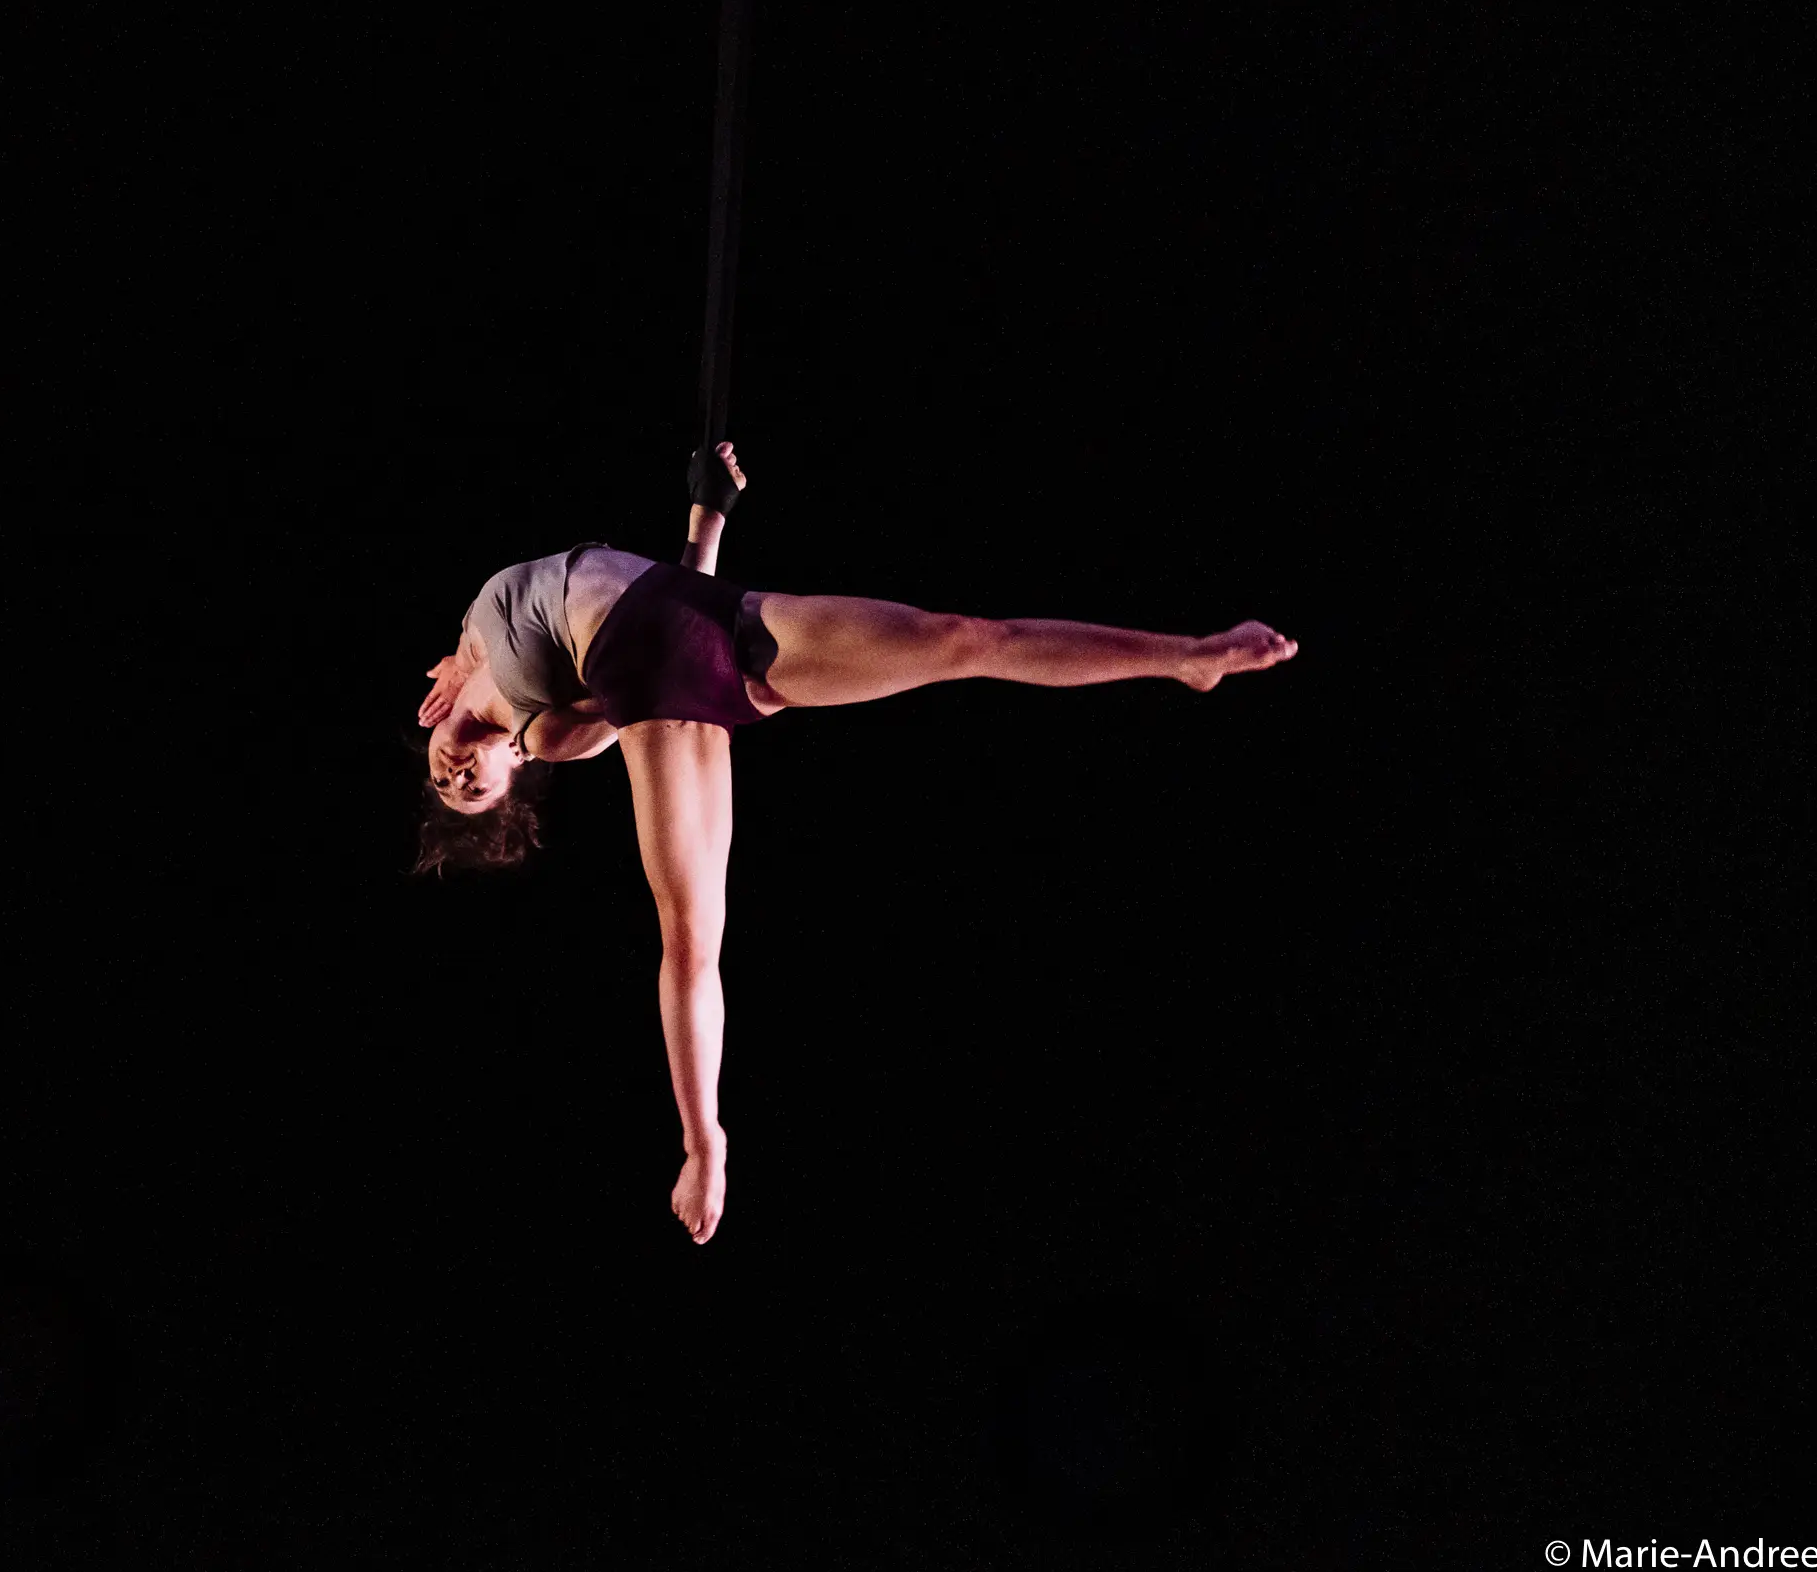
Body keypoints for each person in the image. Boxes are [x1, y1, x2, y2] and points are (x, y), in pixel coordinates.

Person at [414, 442, 1298, 1245]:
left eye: (444, 782)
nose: (459, 777)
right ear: (513, 771)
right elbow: (633, 651)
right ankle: (704, 1141)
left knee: (960, 637)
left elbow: (664, 601)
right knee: (690, 933)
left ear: (428, 711)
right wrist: (509, 717)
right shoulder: (542, 730)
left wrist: (707, 514)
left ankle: (1189, 654)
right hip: (662, 674)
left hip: (715, 618)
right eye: (475, 787)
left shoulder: (470, 642)